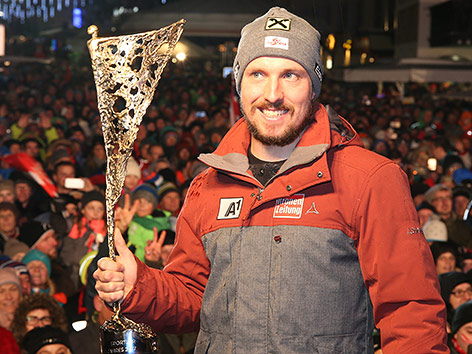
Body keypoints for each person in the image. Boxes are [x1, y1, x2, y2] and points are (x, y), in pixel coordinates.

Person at [94, 7, 448, 353]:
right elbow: (194, 299)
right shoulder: (207, 187)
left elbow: (411, 313)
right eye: (257, 74)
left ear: (314, 87)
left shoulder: (369, 179)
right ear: (239, 85)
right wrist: (138, 285)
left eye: (291, 75)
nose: (273, 94)